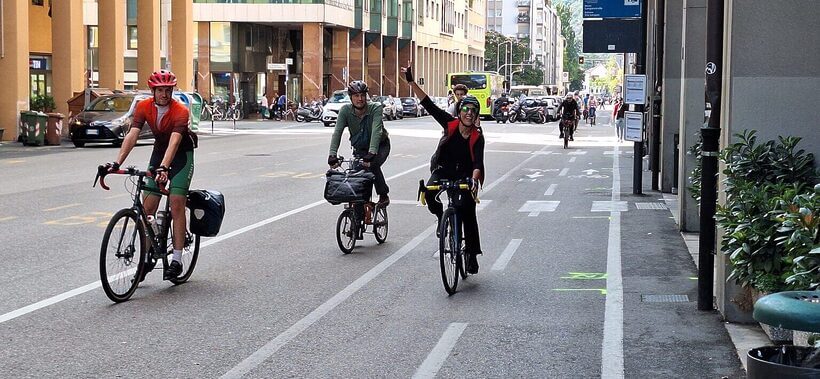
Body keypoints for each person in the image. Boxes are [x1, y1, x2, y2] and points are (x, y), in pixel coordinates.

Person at [103, 70, 197, 280]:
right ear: (153, 91)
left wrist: (164, 168)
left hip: (181, 155)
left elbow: (174, 142)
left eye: (168, 90)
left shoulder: (180, 110)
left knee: (176, 201)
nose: (164, 94)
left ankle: (177, 259)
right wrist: (117, 163)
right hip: (159, 152)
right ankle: (147, 257)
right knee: (147, 208)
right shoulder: (143, 107)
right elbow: (132, 135)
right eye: (160, 90)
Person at [401, 62, 485, 274]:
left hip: (466, 175)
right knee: (429, 194)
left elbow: (478, 163)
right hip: (443, 169)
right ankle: (441, 217)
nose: (468, 113)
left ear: (476, 116)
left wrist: (474, 180)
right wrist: (411, 81)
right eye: (465, 109)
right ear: (459, 111)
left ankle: (472, 254)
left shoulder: (477, 136)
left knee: (468, 211)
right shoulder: (450, 124)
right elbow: (428, 104)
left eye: (473, 111)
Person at [327, 80, 391, 206]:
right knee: (355, 175)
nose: (360, 99)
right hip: (360, 149)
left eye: (362, 95)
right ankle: (360, 208)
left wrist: (372, 152)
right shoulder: (345, 111)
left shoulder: (375, 107)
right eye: (356, 96)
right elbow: (337, 133)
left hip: (380, 146)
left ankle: (383, 195)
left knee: (371, 165)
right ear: (350, 97)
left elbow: (376, 131)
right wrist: (332, 155)